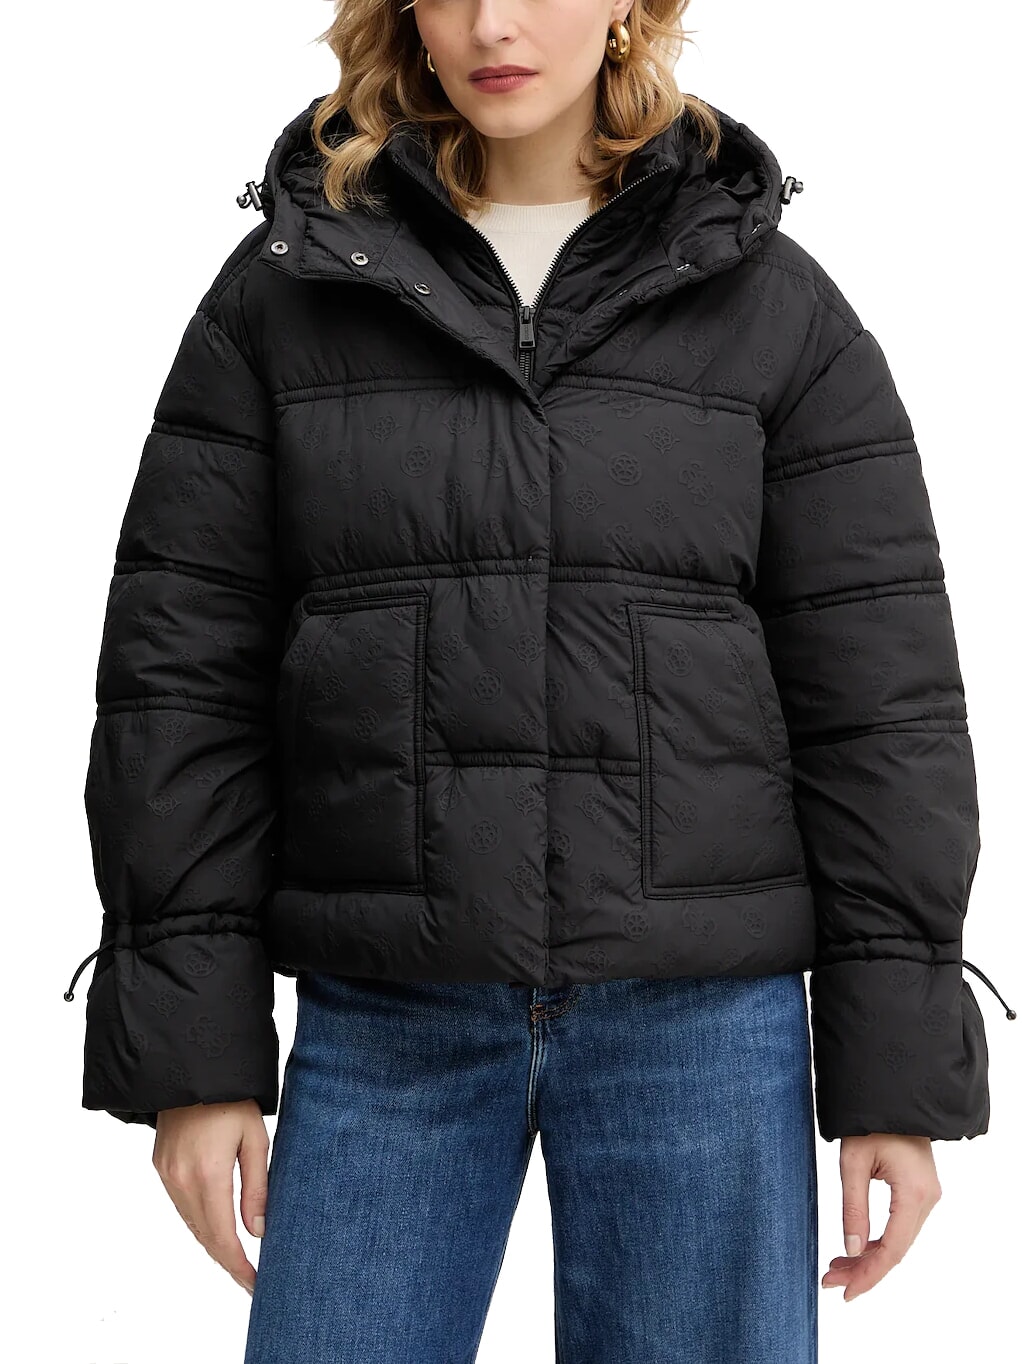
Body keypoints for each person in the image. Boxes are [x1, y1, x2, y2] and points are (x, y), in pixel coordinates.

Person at [64, 1, 1016, 1359]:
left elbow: (879, 703)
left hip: (700, 1028)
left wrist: (891, 1073)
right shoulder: (285, 292)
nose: (491, 24)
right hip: (383, 1017)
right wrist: (194, 1056)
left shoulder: (773, 309)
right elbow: (181, 685)